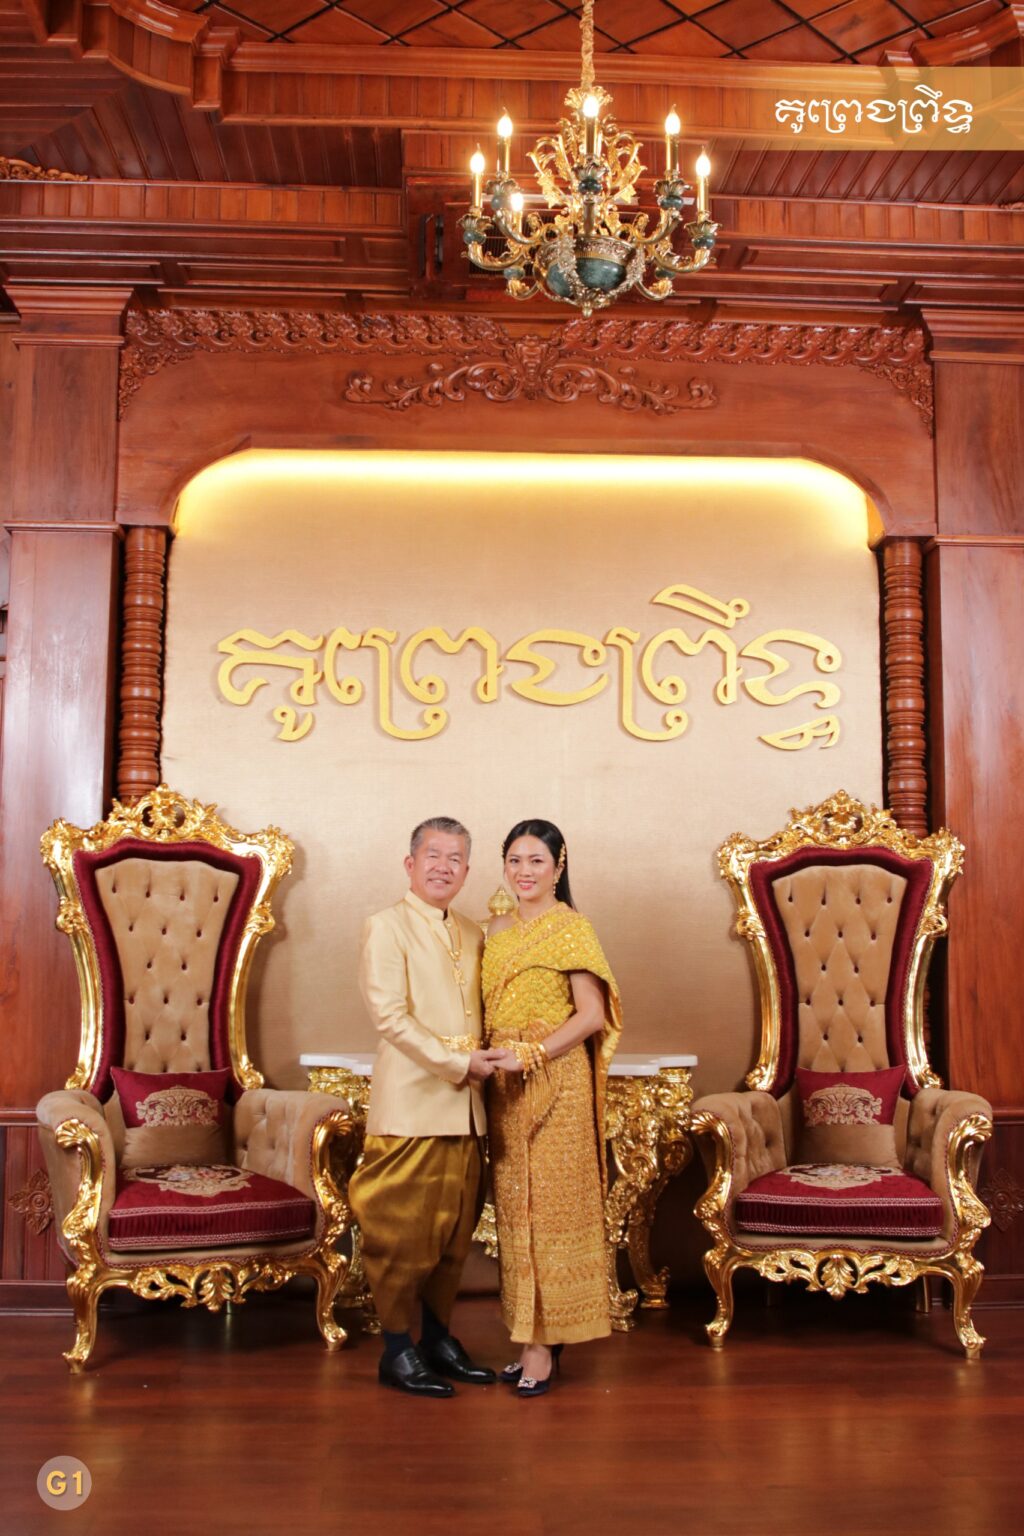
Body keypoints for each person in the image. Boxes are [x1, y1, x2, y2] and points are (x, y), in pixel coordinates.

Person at [349, 816, 501, 1398]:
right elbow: (389, 1017)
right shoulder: (385, 926)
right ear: (410, 864)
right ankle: (396, 1348)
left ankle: (437, 1339)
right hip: (412, 1107)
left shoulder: (473, 931)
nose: (444, 866)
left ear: (467, 870)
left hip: (467, 1110)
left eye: (455, 858)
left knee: (454, 1237)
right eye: (433, 855)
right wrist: (460, 1063)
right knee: (400, 1235)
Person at [483, 818, 622, 1397]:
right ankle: (529, 1334)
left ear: (559, 866)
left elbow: (591, 1015)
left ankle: (544, 1345)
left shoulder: (571, 928)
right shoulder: (494, 928)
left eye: (536, 860)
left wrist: (534, 1054)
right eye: (514, 860)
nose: (524, 871)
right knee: (516, 1208)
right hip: (505, 1084)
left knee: (552, 1209)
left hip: (556, 1080)